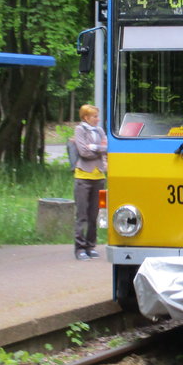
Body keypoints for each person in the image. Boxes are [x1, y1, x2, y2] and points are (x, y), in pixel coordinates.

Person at [72, 104, 107, 261]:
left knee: (95, 214)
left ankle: (91, 245)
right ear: (86, 117)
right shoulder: (80, 130)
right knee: (82, 214)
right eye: (94, 116)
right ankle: (79, 248)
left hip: (99, 177)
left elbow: (108, 148)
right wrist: (99, 150)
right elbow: (83, 152)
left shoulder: (99, 131)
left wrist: (94, 147)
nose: (97, 119)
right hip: (83, 177)